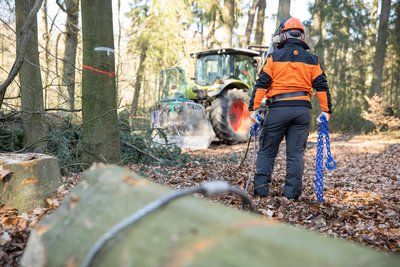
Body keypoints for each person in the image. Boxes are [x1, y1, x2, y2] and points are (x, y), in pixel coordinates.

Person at [248, 17, 332, 200]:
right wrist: (326, 111)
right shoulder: (312, 60)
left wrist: (253, 109)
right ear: (302, 37)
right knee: (295, 155)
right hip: (302, 112)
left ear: (283, 35)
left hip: (278, 109)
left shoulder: (273, 57)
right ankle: (292, 195)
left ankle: (261, 192)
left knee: (267, 152)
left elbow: (261, 84)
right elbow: (322, 86)